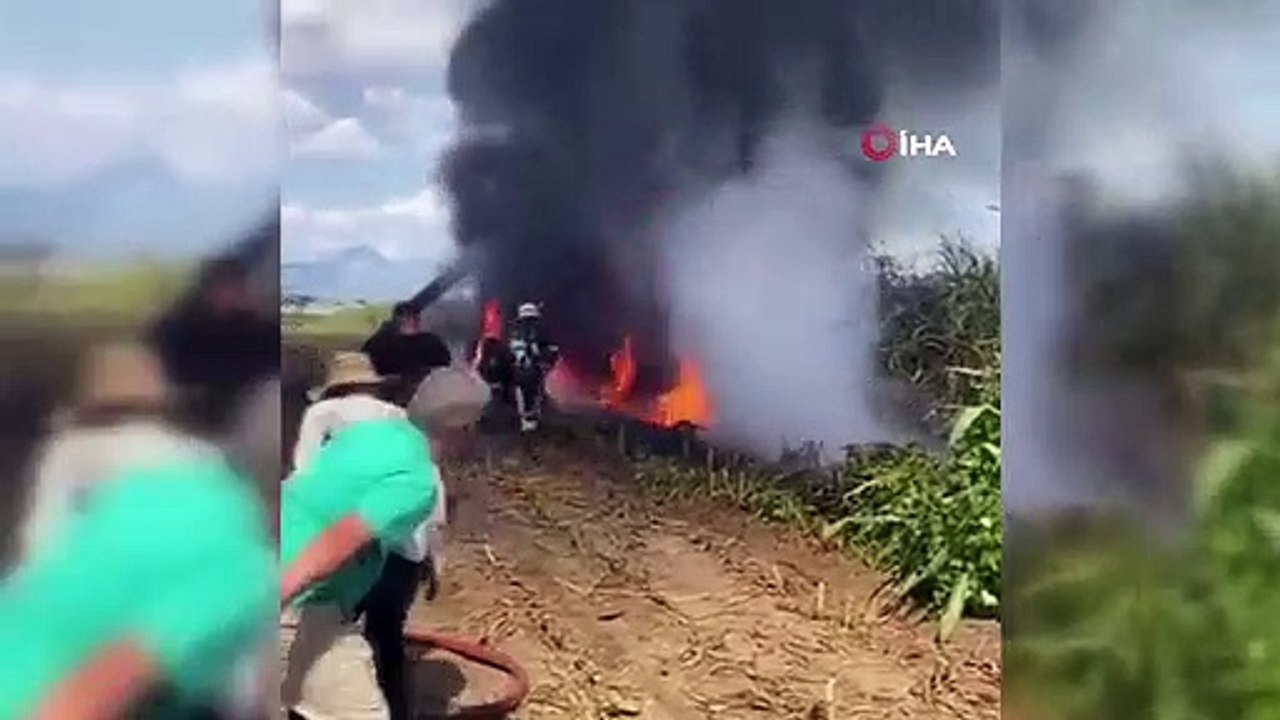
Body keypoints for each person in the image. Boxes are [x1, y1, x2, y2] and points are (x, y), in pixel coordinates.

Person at [0, 344, 276, 720]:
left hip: (64, 640)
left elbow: (40, 546)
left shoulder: (64, 452)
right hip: (165, 645)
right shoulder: (201, 459)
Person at [280, 364, 487, 720]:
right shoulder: (417, 480)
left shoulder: (366, 434)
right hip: (302, 603)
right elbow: (338, 540)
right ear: (462, 427)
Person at [149, 254, 279, 432]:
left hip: (248, 412)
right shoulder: (180, 327)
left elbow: (270, 368)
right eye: (223, 287)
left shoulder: (258, 329)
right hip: (196, 414)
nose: (229, 294)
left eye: (235, 287)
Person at [361, 302, 452, 406]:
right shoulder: (379, 343)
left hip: (409, 398)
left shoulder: (431, 342)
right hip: (399, 397)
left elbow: (444, 370)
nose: (413, 321)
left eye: (415, 317)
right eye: (409, 317)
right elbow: (444, 369)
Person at [508, 302, 559, 432]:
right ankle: (523, 419)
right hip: (519, 371)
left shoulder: (543, 334)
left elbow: (552, 351)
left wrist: (544, 361)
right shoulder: (515, 334)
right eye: (526, 321)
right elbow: (511, 351)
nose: (529, 324)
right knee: (522, 395)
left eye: (531, 320)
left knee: (535, 394)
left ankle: (533, 419)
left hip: (536, 369)